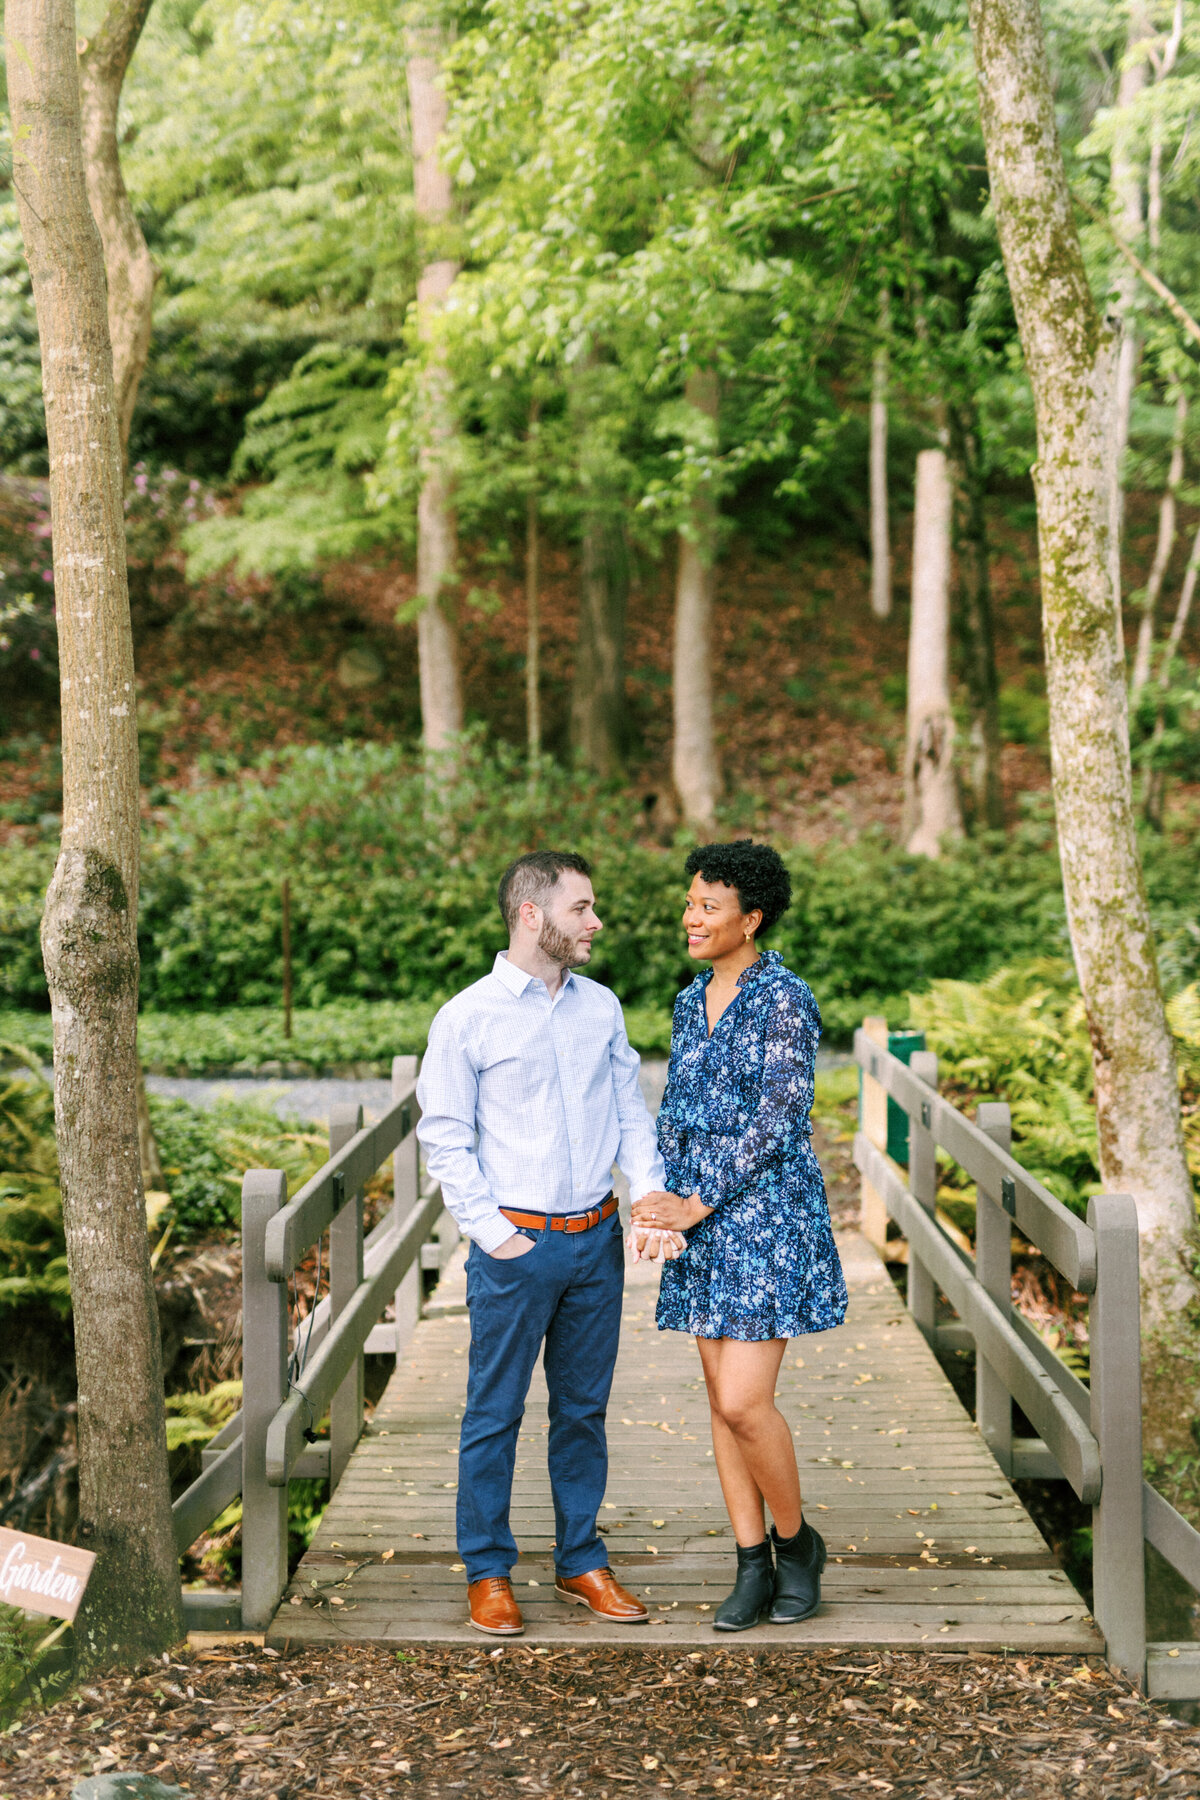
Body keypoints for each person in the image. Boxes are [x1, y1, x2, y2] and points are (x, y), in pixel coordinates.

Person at [417, 849, 673, 1637]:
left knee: (583, 1411)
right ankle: (488, 1571)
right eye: (581, 909)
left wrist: (650, 1196)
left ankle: (579, 1560)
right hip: (514, 1247)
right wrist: (495, 1236)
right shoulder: (467, 1017)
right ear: (533, 914)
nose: (595, 923)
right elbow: (446, 1136)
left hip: (596, 1241)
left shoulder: (601, 1007)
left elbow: (630, 1111)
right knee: (494, 1412)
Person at [631, 839, 848, 1631]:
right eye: (689, 903)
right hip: (699, 1221)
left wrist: (699, 1200)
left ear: (750, 919)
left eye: (708, 907)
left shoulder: (785, 997)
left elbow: (778, 1116)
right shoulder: (691, 1002)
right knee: (720, 1407)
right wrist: (658, 1200)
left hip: (766, 1215)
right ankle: (750, 1562)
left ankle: (798, 1546)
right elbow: (678, 1110)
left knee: (745, 1400)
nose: (691, 916)